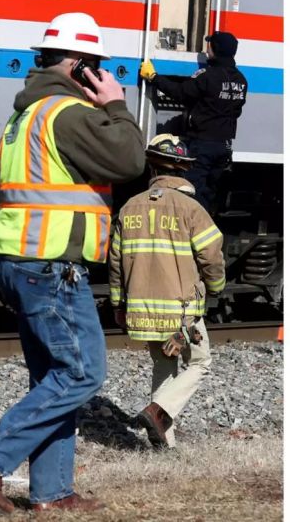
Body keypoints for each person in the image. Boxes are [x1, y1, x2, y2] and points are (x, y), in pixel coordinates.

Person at [0, 12, 145, 514]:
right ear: (81, 65)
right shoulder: (67, 112)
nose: (105, 76)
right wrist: (118, 108)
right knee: (83, 374)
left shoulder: (26, 115)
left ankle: (52, 493)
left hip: (22, 260)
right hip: (52, 263)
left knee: (53, 379)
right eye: (99, 65)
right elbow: (129, 161)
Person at [109, 134, 225, 449]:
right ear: (183, 169)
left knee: (164, 364)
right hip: (182, 310)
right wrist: (215, 288)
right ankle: (159, 412)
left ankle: (164, 441)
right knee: (200, 362)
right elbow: (211, 256)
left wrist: (119, 304)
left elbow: (116, 262)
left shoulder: (129, 207)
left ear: (151, 168)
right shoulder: (191, 208)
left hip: (143, 308)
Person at [140, 31, 248, 213]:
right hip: (224, 147)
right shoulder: (241, 81)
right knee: (209, 193)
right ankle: (206, 232)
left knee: (193, 193)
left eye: (210, 45)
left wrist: (154, 78)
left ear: (215, 49)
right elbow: (236, 111)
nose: (207, 49)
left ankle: (193, 233)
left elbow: (181, 92)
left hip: (202, 144)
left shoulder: (207, 75)